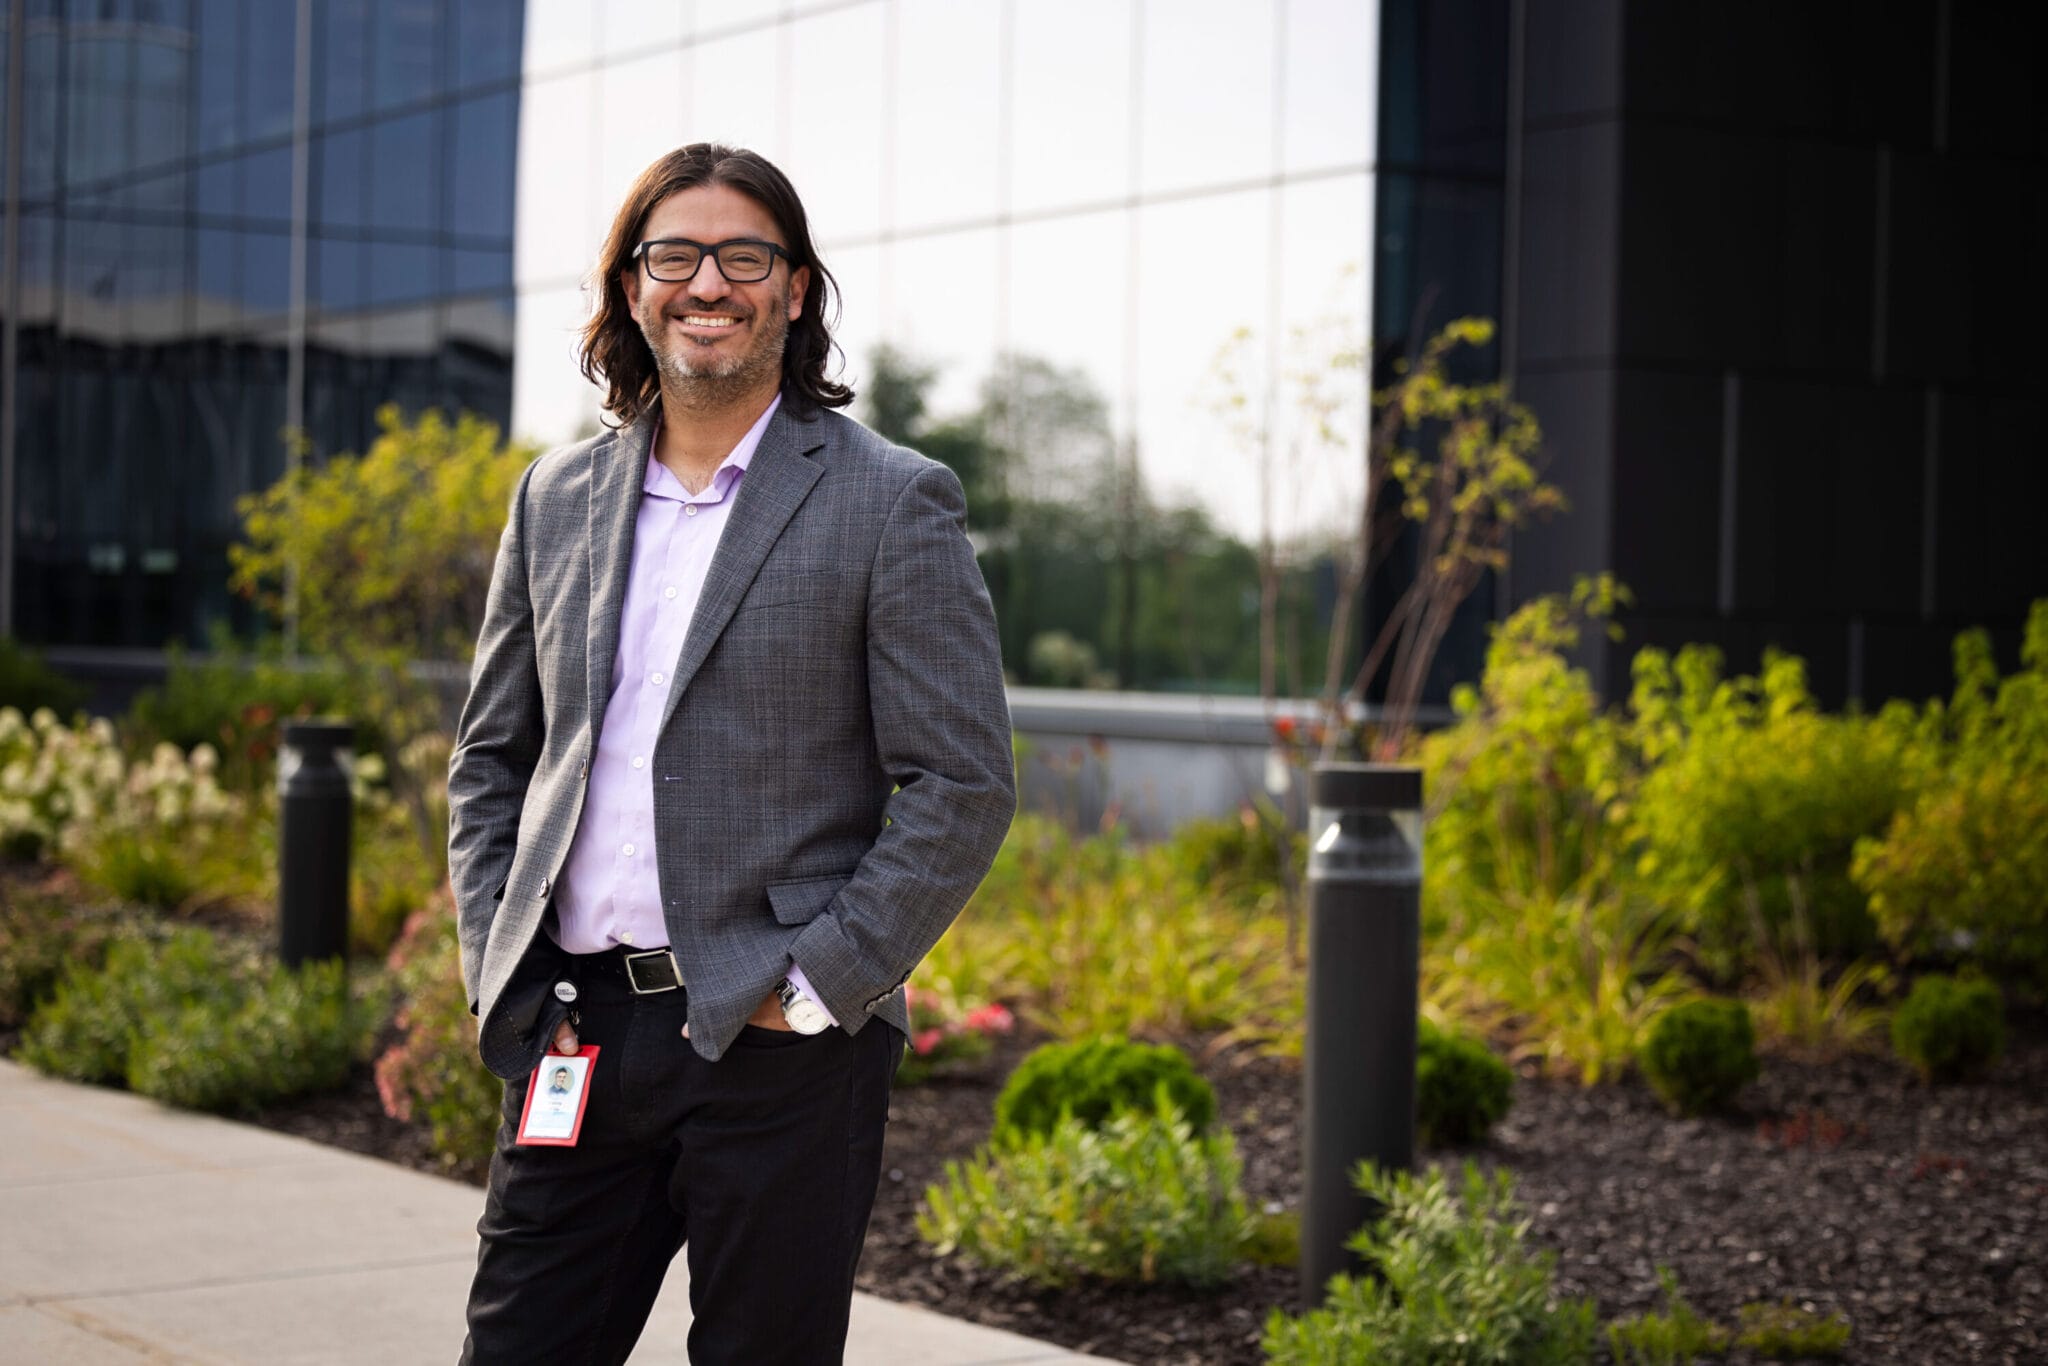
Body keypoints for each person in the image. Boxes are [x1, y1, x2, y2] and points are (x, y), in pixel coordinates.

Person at [447, 142, 1015, 1365]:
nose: (709, 283)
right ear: (632, 288)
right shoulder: (555, 497)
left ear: (795, 290)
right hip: (576, 1031)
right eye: (675, 255)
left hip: (777, 1047)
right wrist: (500, 960)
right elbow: (493, 758)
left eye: (744, 256)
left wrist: (813, 989)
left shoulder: (890, 500)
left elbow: (962, 780)